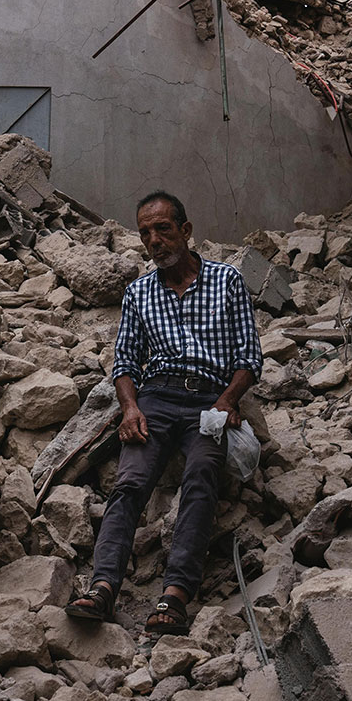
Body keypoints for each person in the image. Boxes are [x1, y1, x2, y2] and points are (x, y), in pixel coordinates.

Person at [65, 190, 261, 635]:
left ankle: (175, 595)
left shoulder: (226, 282)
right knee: (130, 482)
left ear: (186, 232)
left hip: (209, 400)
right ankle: (102, 587)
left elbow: (249, 357)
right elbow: (126, 362)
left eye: (163, 229)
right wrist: (129, 407)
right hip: (155, 397)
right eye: (145, 233)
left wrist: (227, 401)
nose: (154, 241)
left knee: (201, 477)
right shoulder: (138, 293)